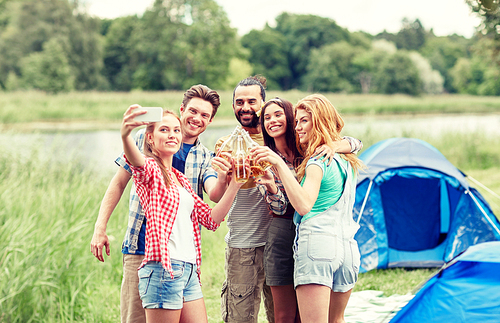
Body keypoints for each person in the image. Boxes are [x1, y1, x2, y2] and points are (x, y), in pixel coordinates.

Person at [90, 85, 231, 323]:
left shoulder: (199, 163)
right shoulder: (146, 153)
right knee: (135, 318)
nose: (197, 119)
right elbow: (120, 182)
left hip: (184, 261)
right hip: (143, 249)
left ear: (211, 120)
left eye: (204, 115)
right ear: (182, 109)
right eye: (193, 111)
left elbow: (212, 199)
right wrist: (99, 227)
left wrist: (231, 179)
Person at [120, 107, 243, 323]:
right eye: (164, 130)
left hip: (189, 269)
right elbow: (135, 161)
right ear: (150, 138)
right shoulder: (150, 171)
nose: (172, 135)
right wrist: (125, 135)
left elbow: (211, 219)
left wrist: (234, 185)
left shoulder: (181, 179)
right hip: (163, 268)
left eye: (176, 130)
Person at [250, 94, 364, 323]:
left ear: (319, 121)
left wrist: (278, 164)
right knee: (336, 319)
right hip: (347, 246)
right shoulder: (346, 160)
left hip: (317, 245)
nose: (298, 126)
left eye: (304, 121)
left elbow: (303, 205)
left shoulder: (316, 161)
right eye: (298, 121)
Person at [216, 75, 274, 323]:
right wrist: (222, 177)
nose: (246, 107)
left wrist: (346, 144)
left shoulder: (279, 137)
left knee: (284, 317)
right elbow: (216, 196)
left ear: (264, 103)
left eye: (252, 101)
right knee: (239, 318)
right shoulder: (225, 144)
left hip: (279, 244)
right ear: (233, 107)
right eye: (239, 102)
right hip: (243, 246)